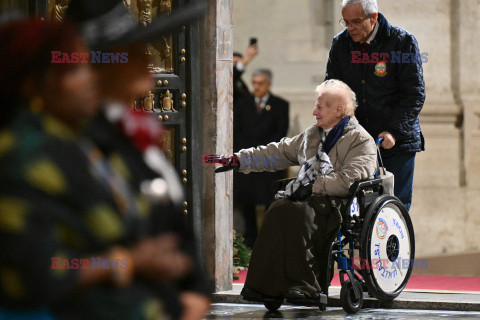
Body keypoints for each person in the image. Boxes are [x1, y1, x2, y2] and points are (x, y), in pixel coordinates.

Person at [214, 79, 376, 305]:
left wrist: (313, 186)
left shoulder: (361, 140)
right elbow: (277, 152)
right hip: (309, 196)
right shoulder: (313, 134)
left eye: (320, 107)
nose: (314, 112)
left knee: (299, 214)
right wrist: (239, 160)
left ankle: (304, 286)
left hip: (339, 204)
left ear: (338, 110)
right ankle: (263, 287)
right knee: (278, 208)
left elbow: (349, 180)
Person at [324, 0, 425, 210]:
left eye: (356, 22)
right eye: (346, 22)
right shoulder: (340, 44)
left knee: (393, 208)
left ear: (374, 18)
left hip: (395, 143)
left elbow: (414, 94)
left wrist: (393, 131)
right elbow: (332, 90)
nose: (350, 28)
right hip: (357, 142)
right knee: (353, 210)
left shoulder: (402, 42)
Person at [233, 68, 289, 248]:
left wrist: (261, 153)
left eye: (260, 83)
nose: (256, 87)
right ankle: (250, 242)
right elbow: (236, 132)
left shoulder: (281, 104)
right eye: (254, 83)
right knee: (246, 203)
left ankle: (269, 243)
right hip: (248, 161)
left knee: (269, 203)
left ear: (268, 84)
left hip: (268, 162)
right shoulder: (242, 103)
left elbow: (279, 134)